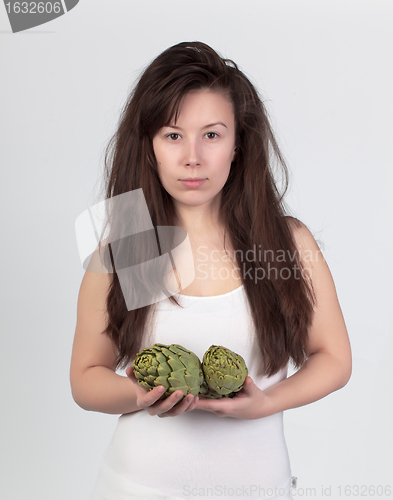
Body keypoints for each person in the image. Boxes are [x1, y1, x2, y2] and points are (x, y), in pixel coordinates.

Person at [70, 41, 352, 500]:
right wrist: (138, 396)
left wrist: (264, 404)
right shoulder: (123, 250)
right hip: (133, 488)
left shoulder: (287, 244)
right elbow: (86, 377)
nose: (193, 157)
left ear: (239, 145)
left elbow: (335, 360)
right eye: (173, 135)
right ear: (149, 147)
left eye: (213, 135)